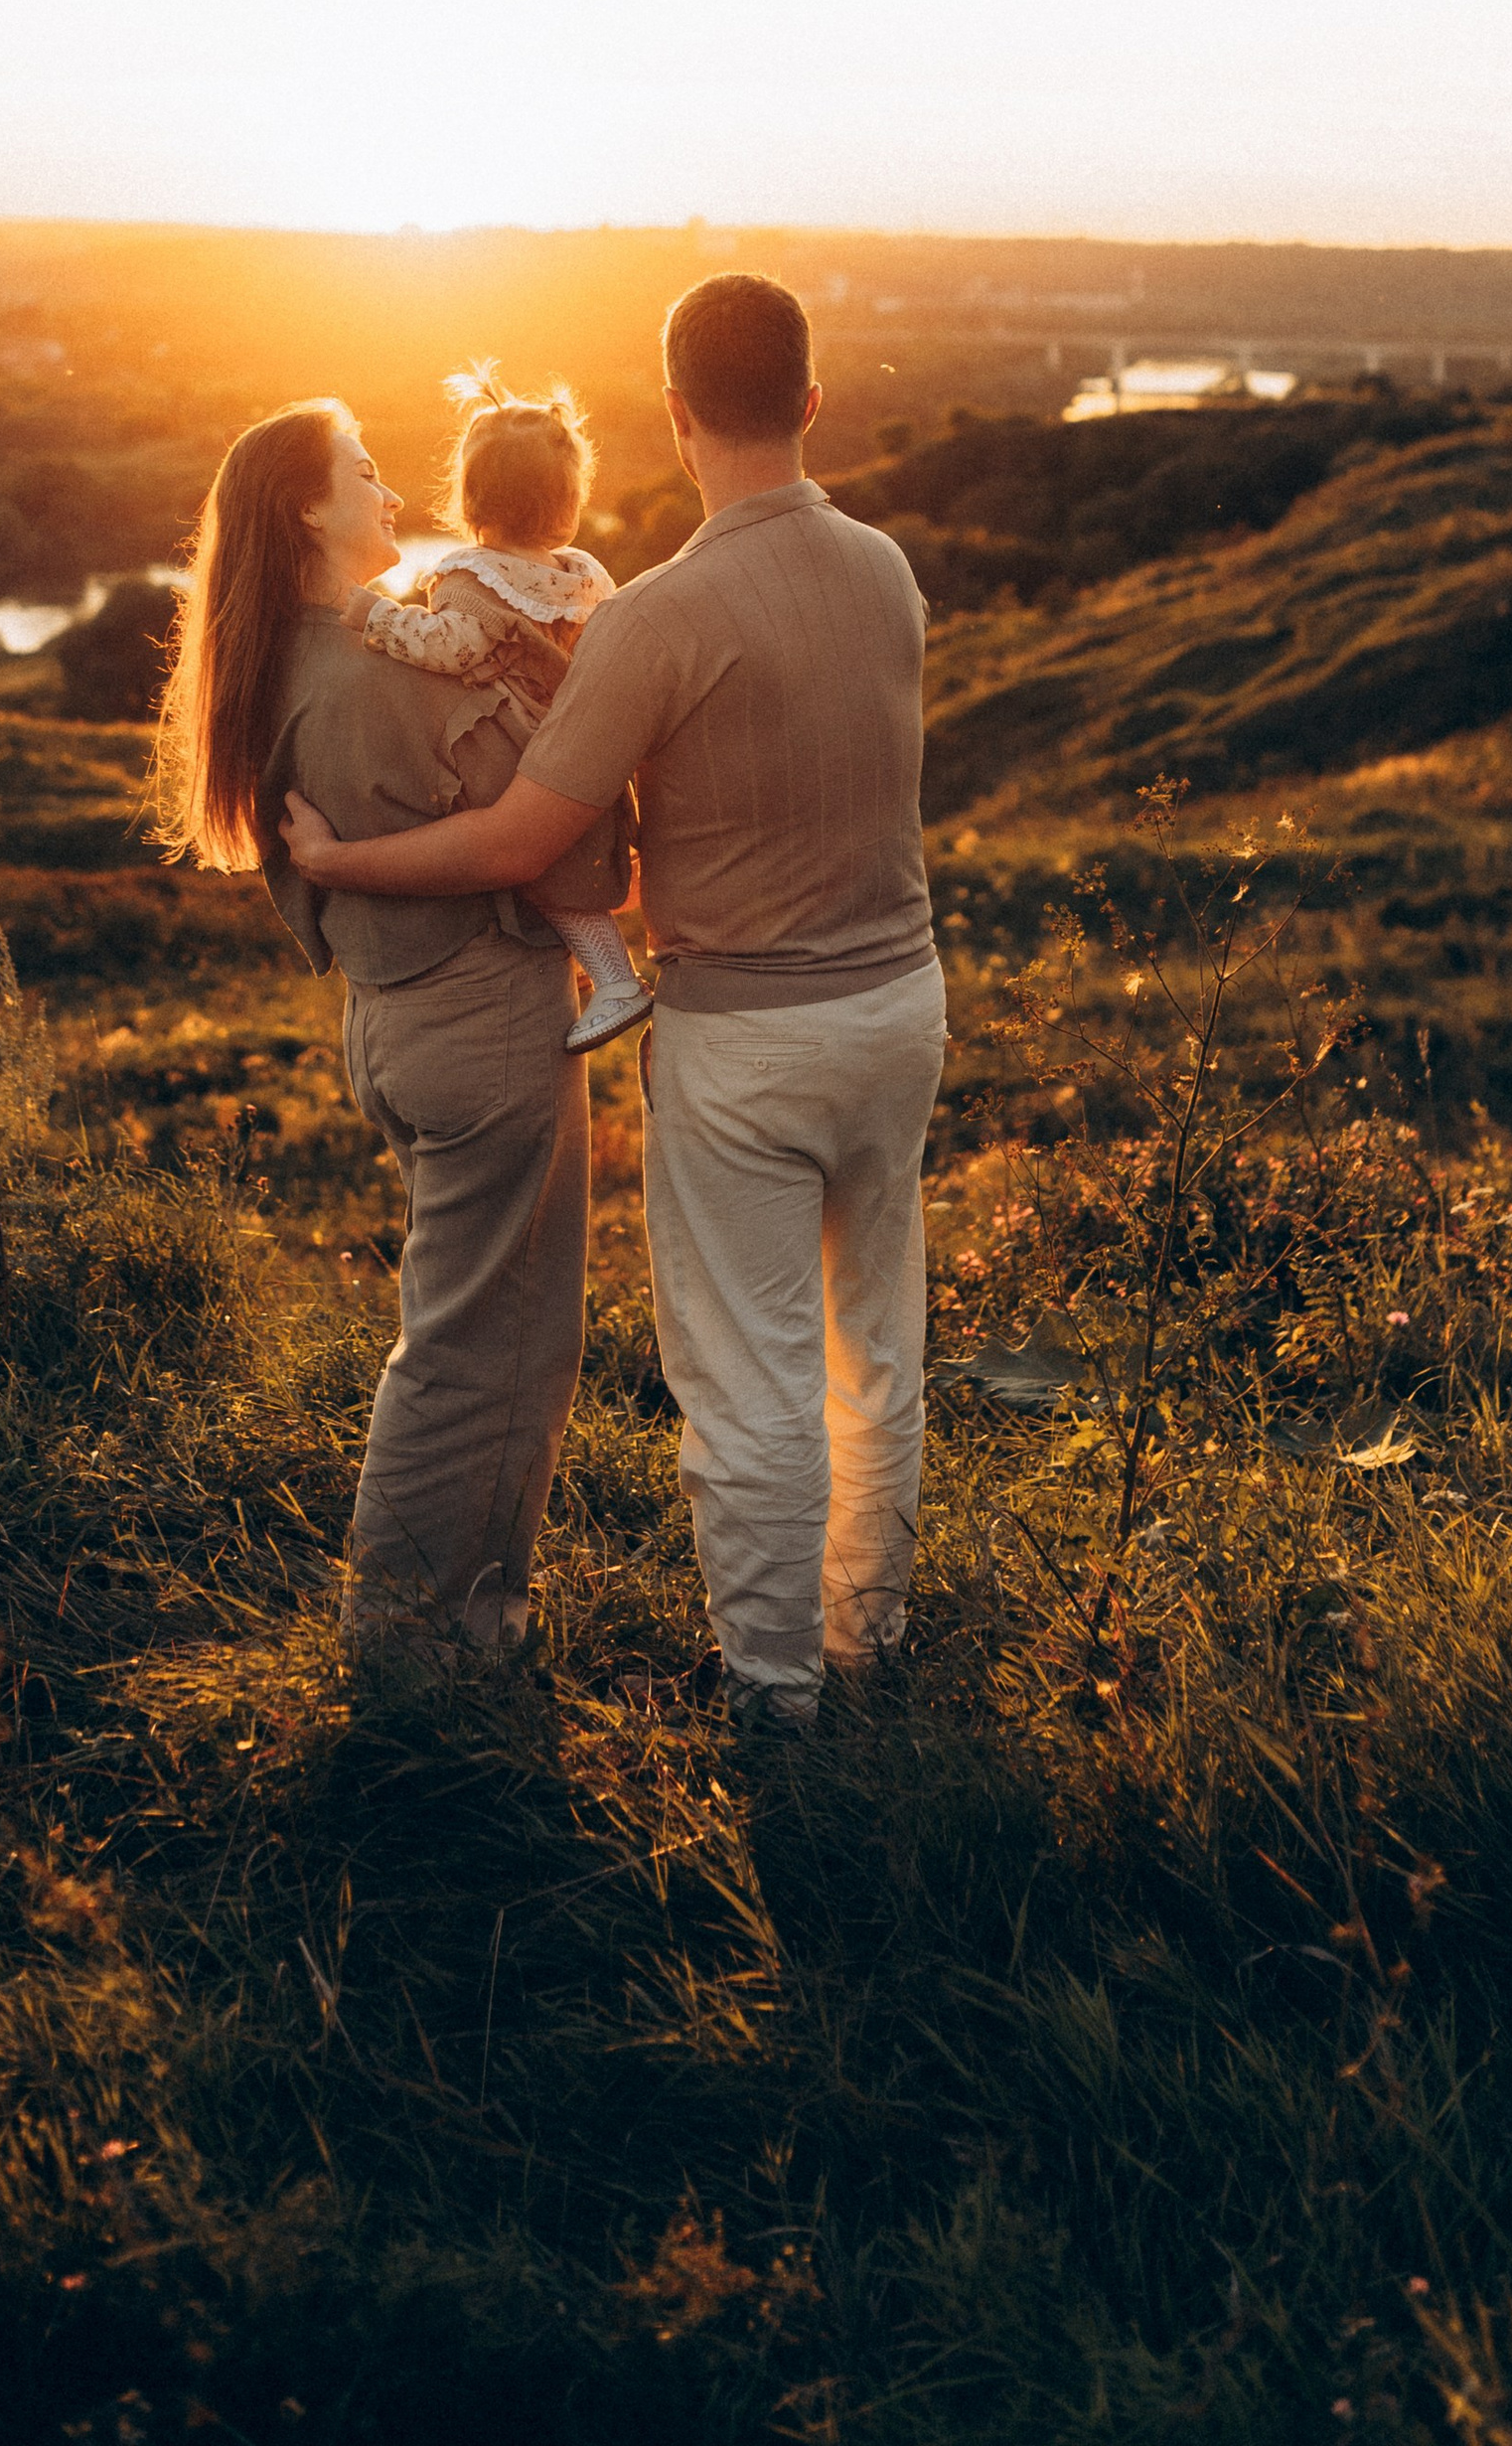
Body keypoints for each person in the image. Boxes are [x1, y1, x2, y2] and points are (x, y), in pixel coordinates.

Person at [282, 273, 946, 1738]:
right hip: (902, 1006)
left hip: (749, 1038)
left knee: (750, 1368)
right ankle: (873, 1635)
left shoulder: (660, 617)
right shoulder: (890, 571)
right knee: (874, 1342)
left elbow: (524, 842)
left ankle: (775, 1692)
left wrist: (341, 860)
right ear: (813, 405)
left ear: (674, 415)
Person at [153, 397, 589, 1666]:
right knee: (480, 1349)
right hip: (479, 1017)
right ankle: (409, 1647)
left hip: (410, 1023)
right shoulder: (369, 675)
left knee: (497, 1335)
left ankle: (473, 1619)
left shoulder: (302, 653)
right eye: (364, 471)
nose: (391, 491)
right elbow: (536, 824)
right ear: (306, 506)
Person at [349, 370, 654, 1053]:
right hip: (591, 748)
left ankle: (615, 982)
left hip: (526, 756)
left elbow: (449, 648)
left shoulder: (473, 579)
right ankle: (591, 969)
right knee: (570, 871)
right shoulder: (583, 573)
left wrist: (376, 616)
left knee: (543, 873)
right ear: (568, 499)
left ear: (470, 494)